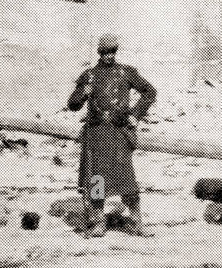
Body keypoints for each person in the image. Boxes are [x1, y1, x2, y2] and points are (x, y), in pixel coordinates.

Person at [67, 36, 156, 237]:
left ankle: (136, 221)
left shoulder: (126, 72)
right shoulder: (89, 75)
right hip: (97, 136)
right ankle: (98, 221)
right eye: (105, 52)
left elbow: (150, 92)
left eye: (112, 52)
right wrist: (83, 93)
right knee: (97, 178)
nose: (109, 56)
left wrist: (135, 114)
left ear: (116, 52)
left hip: (118, 134)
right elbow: (72, 105)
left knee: (126, 178)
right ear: (99, 53)